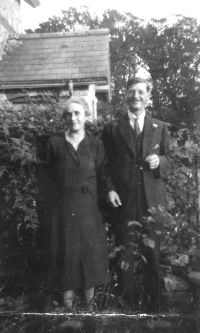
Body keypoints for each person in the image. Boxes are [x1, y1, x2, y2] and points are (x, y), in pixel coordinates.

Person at [103, 76, 175, 312]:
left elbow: (172, 161)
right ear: (125, 95)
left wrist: (160, 161)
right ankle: (128, 306)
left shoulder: (160, 127)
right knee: (126, 253)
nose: (136, 96)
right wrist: (110, 189)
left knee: (153, 254)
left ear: (148, 96)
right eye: (132, 92)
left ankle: (154, 306)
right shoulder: (112, 129)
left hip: (152, 202)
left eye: (141, 92)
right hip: (124, 201)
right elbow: (103, 165)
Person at [46, 95, 114, 311]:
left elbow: (103, 174)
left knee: (89, 253)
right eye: (69, 114)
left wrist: (111, 190)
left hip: (89, 209)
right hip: (63, 210)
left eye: (77, 113)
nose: (73, 118)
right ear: (64, 117)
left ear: (86, 116)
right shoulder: (54, 144)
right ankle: (67, 307)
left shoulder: (96, 144)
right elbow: (46, 180)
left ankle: (90, 306)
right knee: (65, 252)